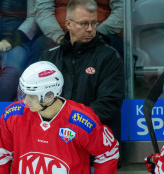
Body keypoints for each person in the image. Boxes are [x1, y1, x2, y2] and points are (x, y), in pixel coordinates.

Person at [0, 61, 119, 174]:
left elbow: (108, 153)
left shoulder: (82, 121)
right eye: (23, 94)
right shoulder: (13, 115)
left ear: (50, 96)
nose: (25, 101)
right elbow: (1, 153)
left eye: (31, 96)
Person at [40, 0, 124, 160]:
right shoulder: (49, 57)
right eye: (84, 23)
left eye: (94, 23)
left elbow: (109, 103)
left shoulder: (109, 56)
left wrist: (71, 126)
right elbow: (38, 100)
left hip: (94, 152)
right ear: (68, 24)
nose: (90, 29)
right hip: (55, 148)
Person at [35, 0, 124, 56]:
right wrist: (60, 38)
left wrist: (95, 34)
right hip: (60, 33)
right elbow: (43, 11)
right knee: (40, 45)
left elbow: (122, 11)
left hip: (100, 32)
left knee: (115, 46)